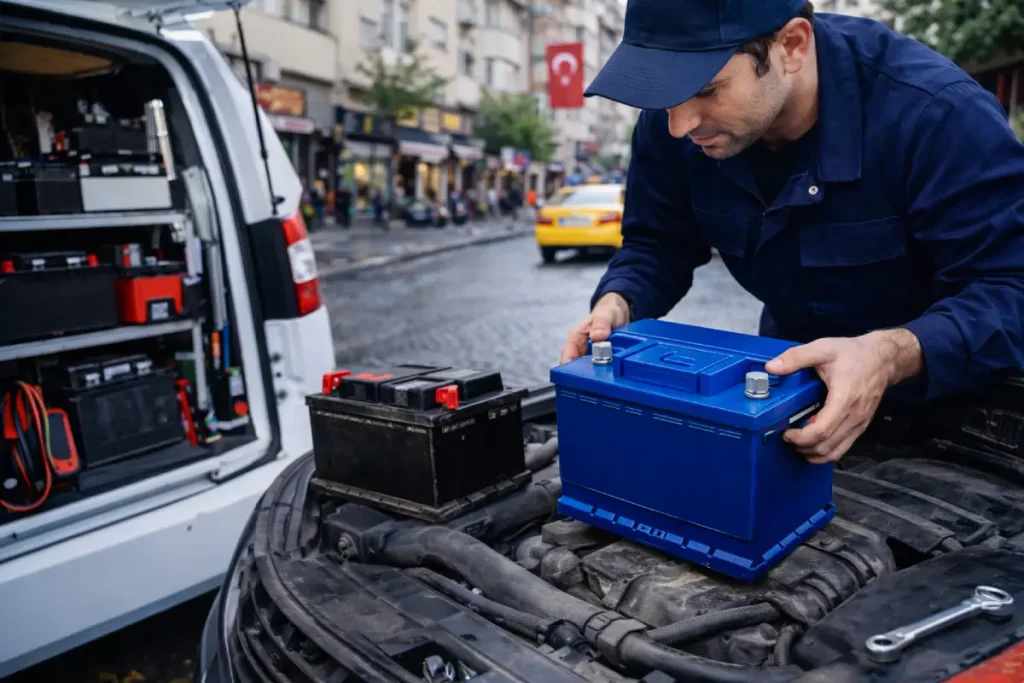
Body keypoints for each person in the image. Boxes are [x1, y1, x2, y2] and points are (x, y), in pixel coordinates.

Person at [561, 0, 1024, 465]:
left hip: (959, 424)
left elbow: (1010, 289)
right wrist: (619, 301)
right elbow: (658, 244)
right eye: (665, 94)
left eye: (707, 88)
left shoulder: (936, 114)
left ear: (792, 46)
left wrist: (888, 356)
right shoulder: (675, 119)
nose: (680, 125)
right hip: (791, 404)